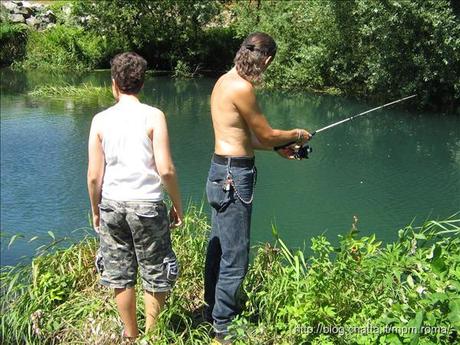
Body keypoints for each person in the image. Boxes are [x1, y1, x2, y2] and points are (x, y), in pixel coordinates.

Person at [204, 32, 311, 343]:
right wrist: (297, 134)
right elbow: (265, 133)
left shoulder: (224, 80)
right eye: (268, 64)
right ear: (266, 59)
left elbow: (241, 137)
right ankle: (225, 327)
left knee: (220, 247)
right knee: (236, 255)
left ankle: (212, 310)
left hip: (218, 170)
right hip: (235, 176)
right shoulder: (243, 87)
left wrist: (277, 148)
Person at [87, 52, 183, 340]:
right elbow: (165, 169)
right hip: (148, 205)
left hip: (112, 205)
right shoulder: (154, 116)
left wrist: (95, 209)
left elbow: (94, 176)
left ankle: (130, 335)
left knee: (120, 274)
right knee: (155, 270)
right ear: (142, 83)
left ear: (113, 83)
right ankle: (153, 337)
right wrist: (178, 205)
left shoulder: (100, 120)